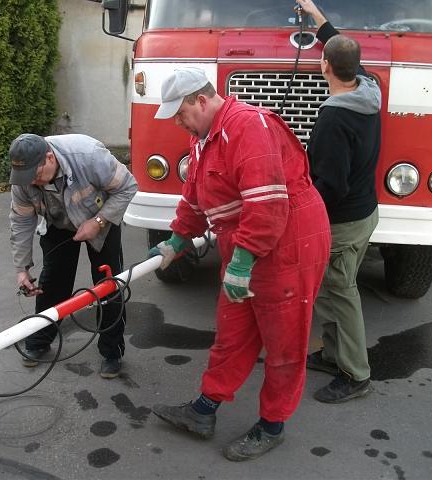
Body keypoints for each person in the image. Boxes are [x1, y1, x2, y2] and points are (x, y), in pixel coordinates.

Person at [148, 67, 331, 461]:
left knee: (284, 339)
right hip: (248, 239)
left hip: (289, 241)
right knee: (233, 329)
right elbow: (195, 198)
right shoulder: (202, 139)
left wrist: (243, 260)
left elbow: (267, 204)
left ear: (201, 99)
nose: (177, 122)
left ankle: (272, 425)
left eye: (180, 113)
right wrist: (177, 239)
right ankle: (204, 410)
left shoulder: (248, 126)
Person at [297, 0, 381, 403]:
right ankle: (332, 355)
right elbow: (342, 50)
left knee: (340, 291)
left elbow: (330, 184)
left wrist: (301, 216)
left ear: (325, 66)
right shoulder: (369, 89)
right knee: (332, 288)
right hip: (367, 213)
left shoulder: (333, 118)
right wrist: (317, 15)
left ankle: (354, 374)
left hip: (342, 221)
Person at [8, 133, 137, 378]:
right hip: (58, 222)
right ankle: (39, 339)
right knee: (52, 281)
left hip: (101, 219)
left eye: (36, 175)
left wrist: (98, 222)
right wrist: (22, 268)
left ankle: (111, 352)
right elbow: (21, 221)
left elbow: (128, 186)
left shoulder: (89, 156)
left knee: (108, 286)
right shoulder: (24, 176)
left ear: (49, 158)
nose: (32, 183)